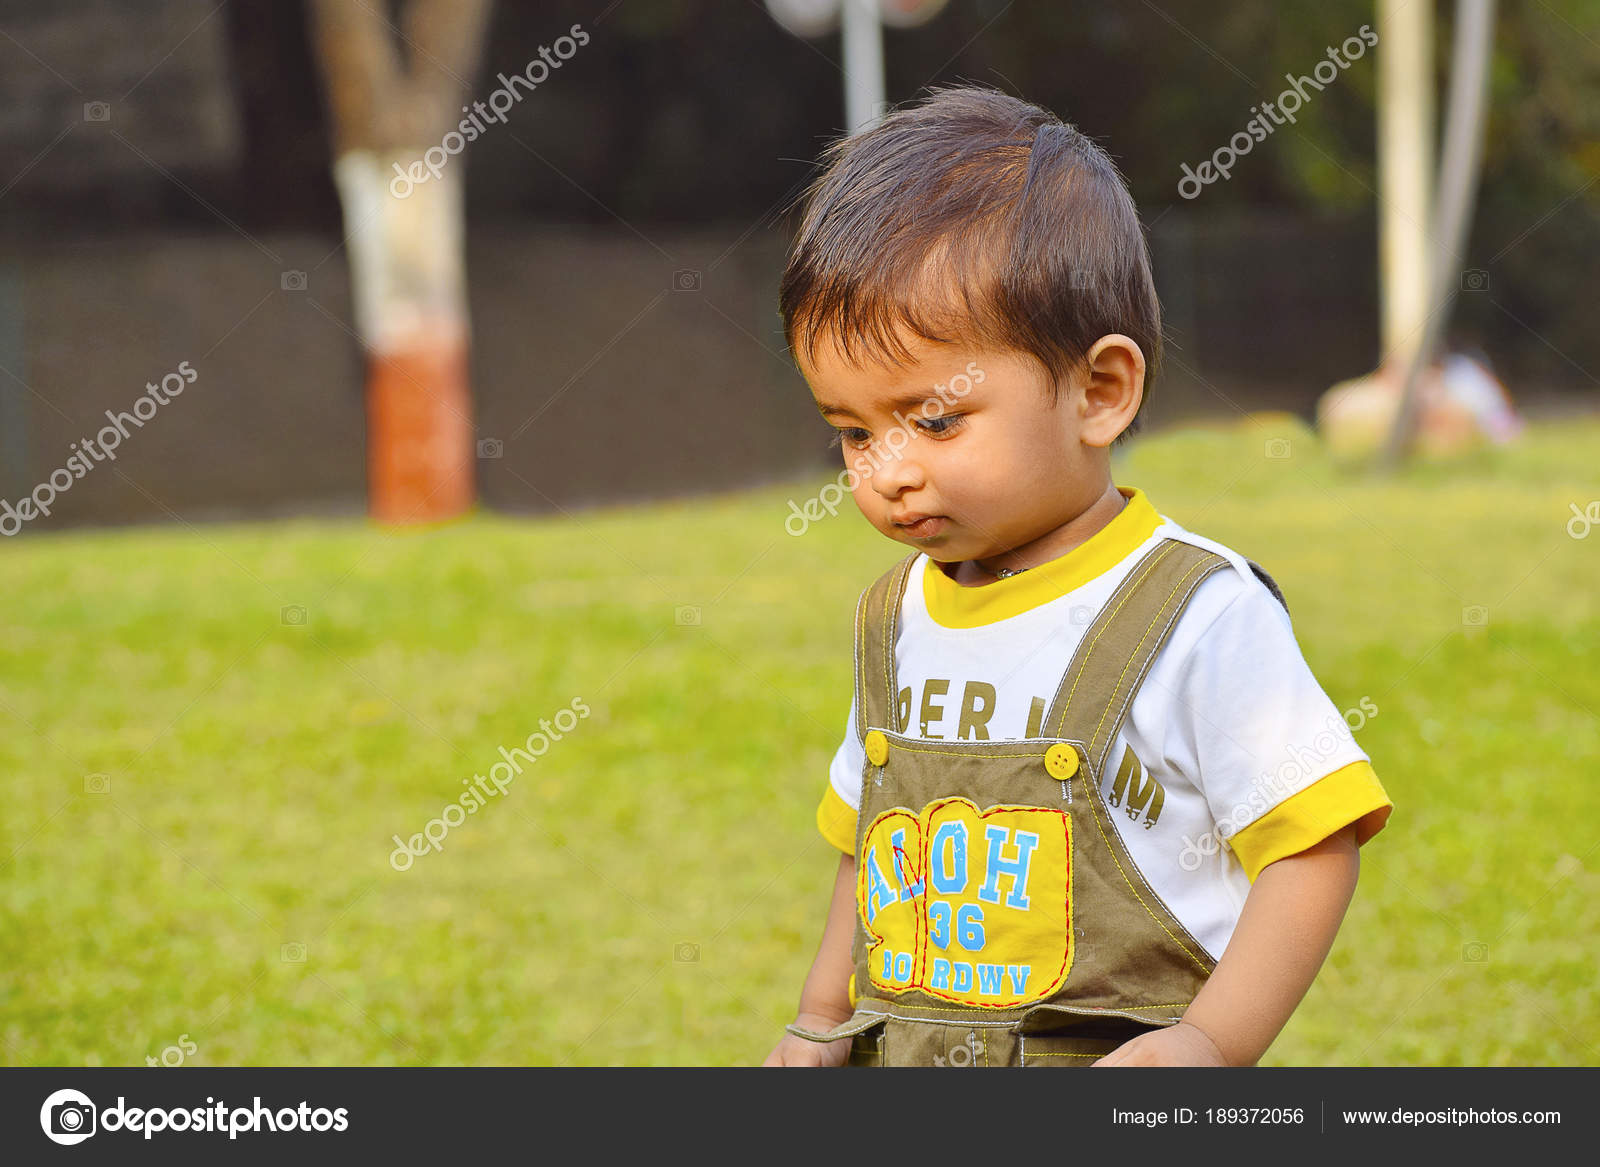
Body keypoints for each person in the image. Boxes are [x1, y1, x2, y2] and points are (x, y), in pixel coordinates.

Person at [762, 85, 1393, 1068]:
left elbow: (1313, 844)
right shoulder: (894, 617)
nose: (886, 472)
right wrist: (818, 1016)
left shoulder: (1195, 613)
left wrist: (1207, 1042)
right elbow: (869, 848)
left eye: (934, 420)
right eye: (852, 431)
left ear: (1099, 392)